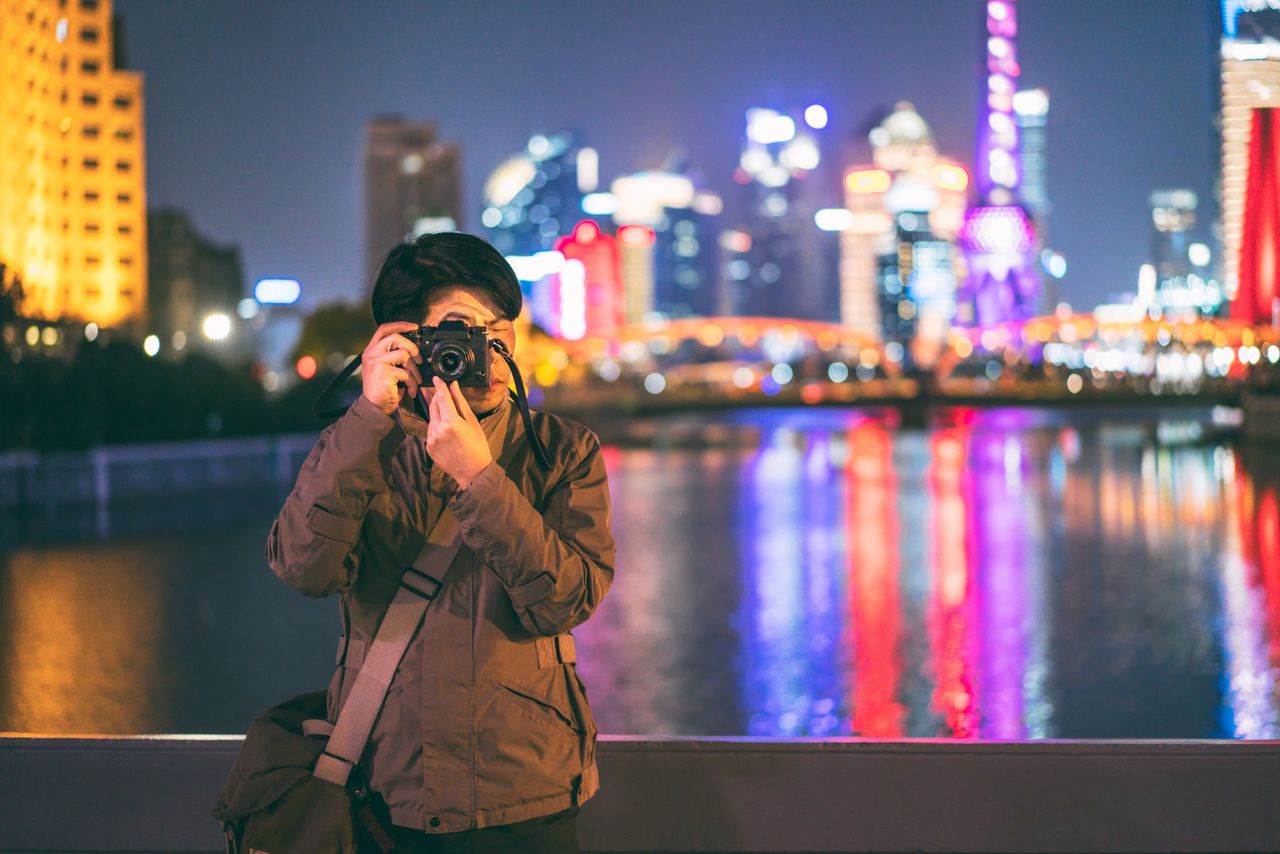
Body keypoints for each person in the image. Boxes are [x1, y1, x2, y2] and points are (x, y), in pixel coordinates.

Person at [265, 232, 615, 853]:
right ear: (406, 341)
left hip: (527, 797)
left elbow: (566, 602)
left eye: (498, 332)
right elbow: (303, 568)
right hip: (386, 794)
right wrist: (369, 417)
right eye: (460, 331)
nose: (481, 351)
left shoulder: (562, 453)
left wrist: (480, 480)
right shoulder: (362, 449)